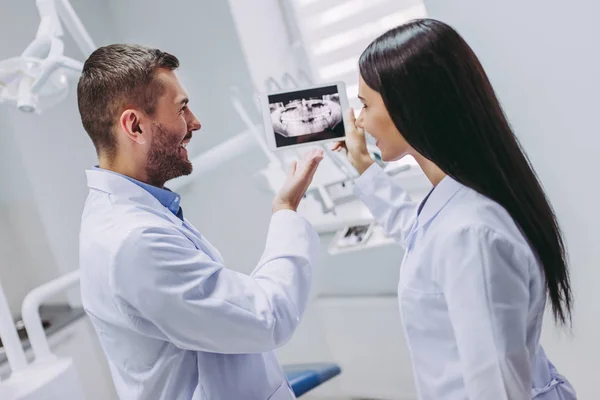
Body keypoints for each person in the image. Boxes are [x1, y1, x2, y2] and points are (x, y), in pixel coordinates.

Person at [333, 19, 576, 399]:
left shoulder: (471, 232)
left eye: (365, 105)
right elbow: (421, 235)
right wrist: (364, 169)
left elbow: (494, 388)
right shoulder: (459, 205)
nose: (359, 120)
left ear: (409, 106)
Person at [77, 44, 323, 400]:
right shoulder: (134, 240)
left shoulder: (135, 213)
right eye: (181, 109)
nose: (195, 122)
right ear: (134, 125)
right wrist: (286, 210)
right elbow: (268, 317)